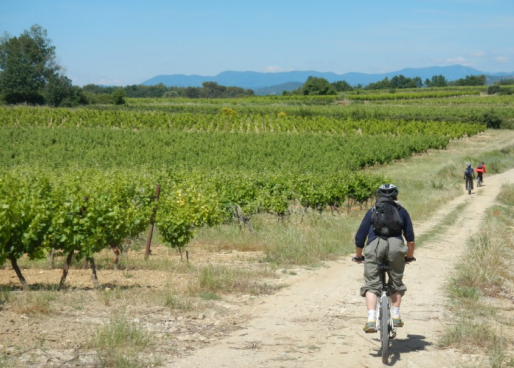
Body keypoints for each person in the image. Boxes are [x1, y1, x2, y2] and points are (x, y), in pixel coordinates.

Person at [352, 184, 415, 333]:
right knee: (396, 283)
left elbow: (360, 237)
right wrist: (409, 257)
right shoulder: (402, 211)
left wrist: (359, 256)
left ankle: (371, 319)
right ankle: (395, 315)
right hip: (395, 247)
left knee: (372, 285)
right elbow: (410, 240)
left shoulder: (373, 210)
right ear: (396, 196)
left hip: (375, 247)